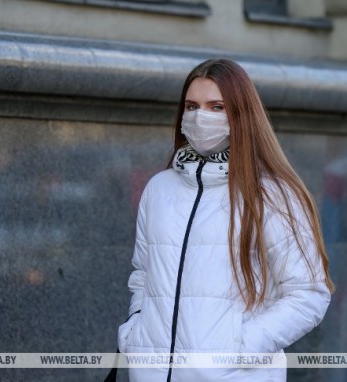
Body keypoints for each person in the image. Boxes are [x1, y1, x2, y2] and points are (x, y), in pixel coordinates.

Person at [116, 58, 334, 382]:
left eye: (216, 107)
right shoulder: (159, 189)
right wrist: (136, 332)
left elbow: (309, 294)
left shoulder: (271, 196)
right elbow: (144, 274)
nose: (199, 117)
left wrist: (236, 349)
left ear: (240, 114)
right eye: (191, 106)